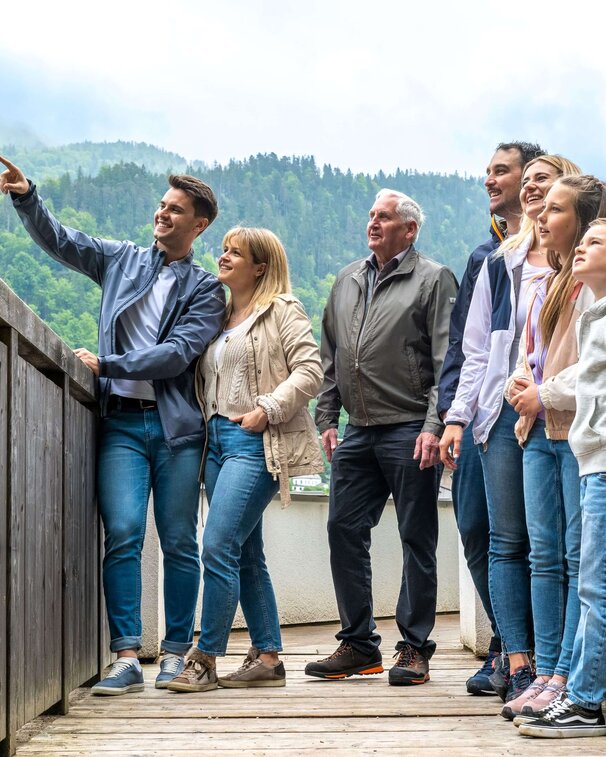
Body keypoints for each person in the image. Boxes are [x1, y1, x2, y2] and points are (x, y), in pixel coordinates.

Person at [0, 155, 225, 695]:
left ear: (199, 225)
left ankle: (174, 653)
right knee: (122, 533)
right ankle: (126, 657)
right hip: (120, 424)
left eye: (175, 210)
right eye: (161, 205)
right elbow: (63, 240)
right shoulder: (121, 259)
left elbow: (178, 353)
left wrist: (109, 365)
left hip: (176, 432)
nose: (162, 214)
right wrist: (26, 196)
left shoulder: (206, 289)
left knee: (177, 541)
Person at [439, 156, 581, 706]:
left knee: (559, 545)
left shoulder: (582, 262)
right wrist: (458, 416)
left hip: (560, 418)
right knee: (507, 539)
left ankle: (560, 667)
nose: (529, 188)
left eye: (540, 179)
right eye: (525, 183)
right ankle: (518, 660)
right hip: (501, 413)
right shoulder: (501, 260)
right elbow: (476, 348)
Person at [306, 189, 458, 686]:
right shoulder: (348, 279)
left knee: (417, 537)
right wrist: (327, 417)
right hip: (357, 432)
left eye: (385, 217)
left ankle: (414, 648)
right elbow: (332, 356)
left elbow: (445, 362)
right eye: (371, 214)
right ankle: (358, 644)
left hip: (412, 428)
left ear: (409, 229)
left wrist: (434, 426)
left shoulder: (433, 279)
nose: (373, 222)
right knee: (343, 529)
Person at [167, 227, 323, 693]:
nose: (224, 256)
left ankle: (206, 658)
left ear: (260, 267)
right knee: (246, 553)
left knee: (217, 545)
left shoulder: (281, 310)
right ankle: (270, 657)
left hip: (253, 442)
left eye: (236, 252)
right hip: (214, 444)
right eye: (225, 249)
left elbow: (311, 370)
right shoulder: (218, 314)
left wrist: (267, 410)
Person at [501, 176, 606, 721]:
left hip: (573, 431)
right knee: (546, 558)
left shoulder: (588, 284)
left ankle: (567, 677)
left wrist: (543, 392)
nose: (541, 214)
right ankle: (548, 672)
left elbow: (582, 370)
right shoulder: (550, 280)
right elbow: (531, 351)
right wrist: (521, 384)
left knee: (577, 562)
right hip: (537, 427)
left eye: (556, 208)